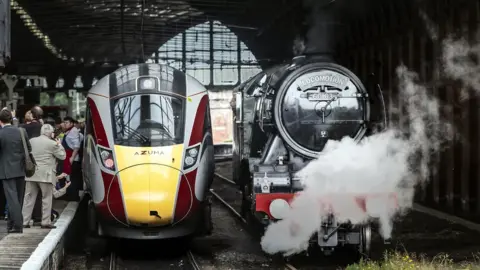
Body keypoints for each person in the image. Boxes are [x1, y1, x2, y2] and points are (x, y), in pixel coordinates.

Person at [22, 124, 66, 229]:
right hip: (46, 175)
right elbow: (62, 156)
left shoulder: (32, 141)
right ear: (51, 133)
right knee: (46, 198)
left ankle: (24, 221)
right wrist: (59, 144)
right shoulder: (52, 143)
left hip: (32, 173)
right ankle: (45, 222)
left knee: (28, 198)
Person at [0, 108, 31, 233]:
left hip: (6, 170)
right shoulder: (21, 131)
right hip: (21, 168)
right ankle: (11, 224)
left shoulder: (1, 134)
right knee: (18, 198)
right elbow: (28, 148)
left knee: (12, 199)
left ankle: (18, 225)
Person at [60, 117, 82, 201]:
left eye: (67, 123)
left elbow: (76, 146)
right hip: (67, 157)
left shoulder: (73, 131)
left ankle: (73, 196)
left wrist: (72, 157)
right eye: (64, 122)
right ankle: (69, 195)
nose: (65, 124)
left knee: (72, 178)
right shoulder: (67, 131)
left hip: (72, 159)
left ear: (72, 123)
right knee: (68, 176)